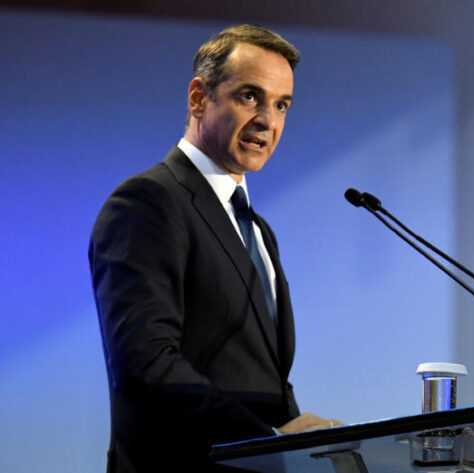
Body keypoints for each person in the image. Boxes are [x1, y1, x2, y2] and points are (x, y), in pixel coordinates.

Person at [89, 24, 337, 473]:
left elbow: (263, 380)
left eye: (281, 105)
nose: (268, 121)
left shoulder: (257, 230)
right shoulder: (147, 203)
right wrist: (266, 442)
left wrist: (304, 447)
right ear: (199, 98)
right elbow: (146, 366)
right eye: (250, 96)